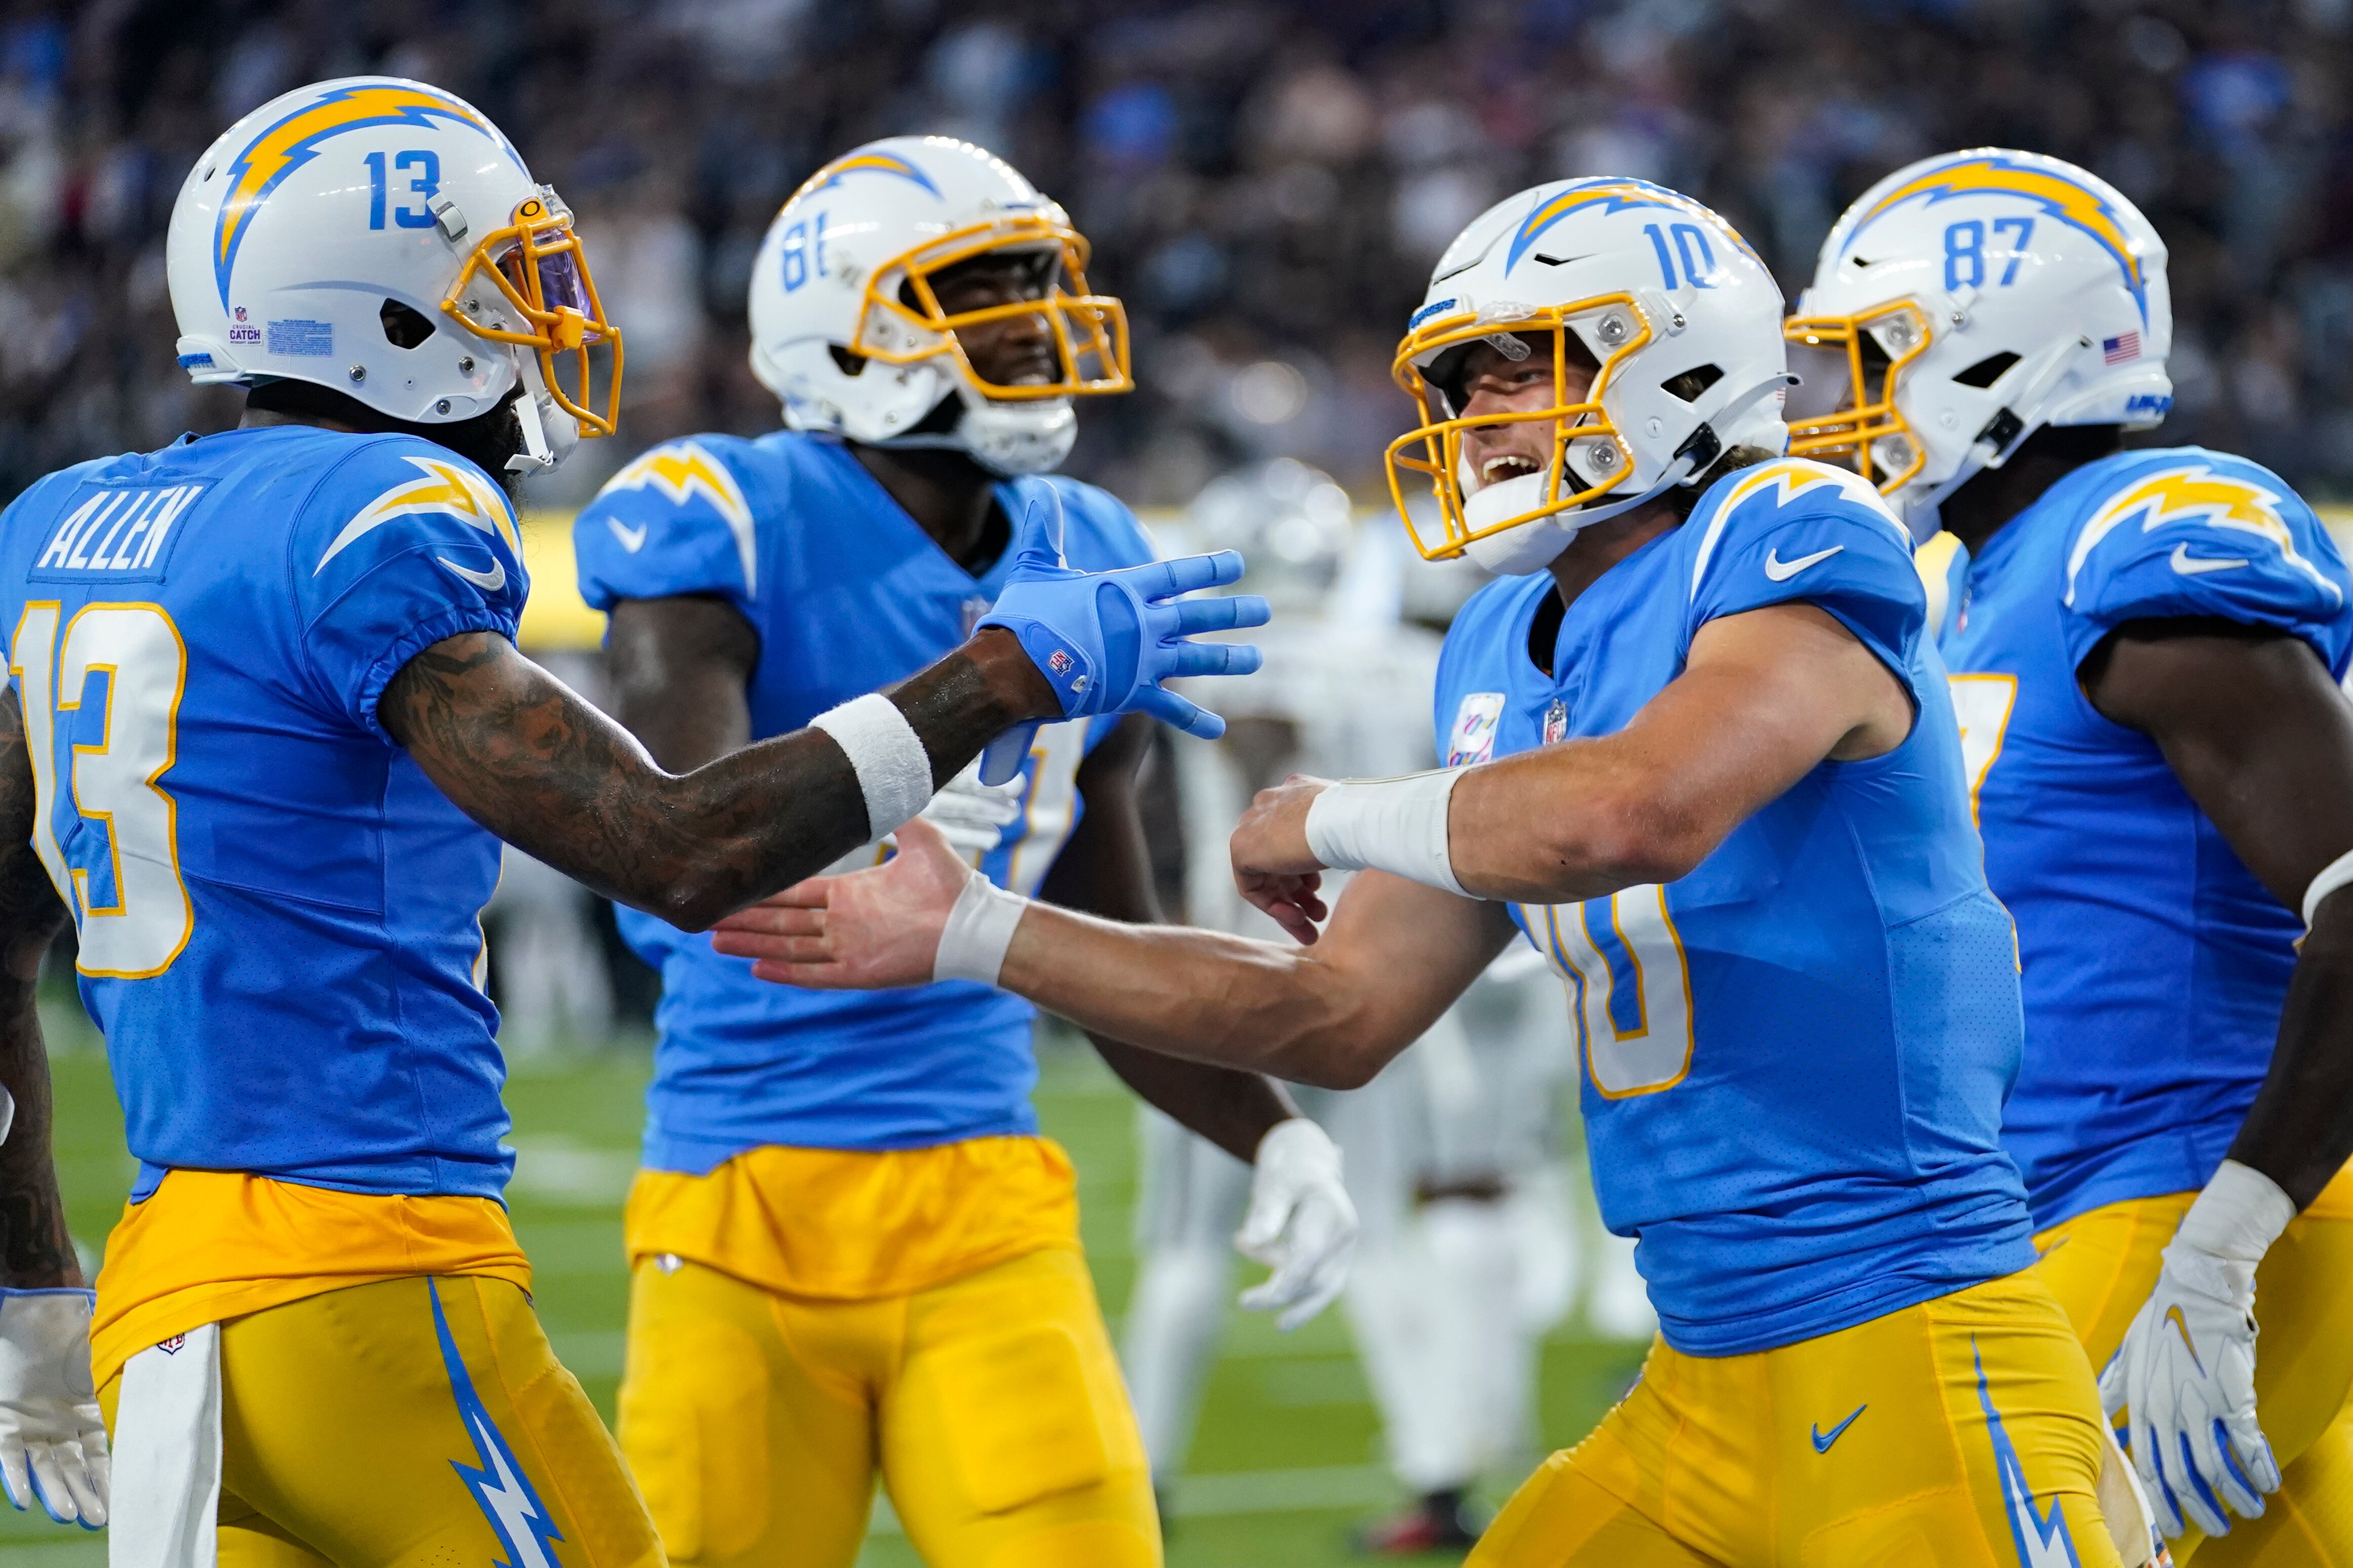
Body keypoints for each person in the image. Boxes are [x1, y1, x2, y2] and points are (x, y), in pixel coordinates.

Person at [713, 175, 2158, 1566]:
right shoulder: (1497, 645)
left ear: (1667, 361)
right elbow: (1333, 1012)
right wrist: (973, 928)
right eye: (1454, 387)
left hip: (1913, 1343)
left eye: (1508, 375)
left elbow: (1636, 813)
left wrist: (1334, 812)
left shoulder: (1783, 528)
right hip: (1704, 1376)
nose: (1470, 423)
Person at [0, 82, 1262, 1558]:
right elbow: (679, 851)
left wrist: (30, 1299)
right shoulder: (370, 515)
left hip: (171, 1296)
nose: (539, 317)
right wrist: (996, 673)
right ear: (385, 318)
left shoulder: (63, 527)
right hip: (369, 1267)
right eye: (500, 278)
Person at [570, 137, 1355, 1568]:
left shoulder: (1092, 539)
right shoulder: (725, 511)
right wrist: (982, 687)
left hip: (989, 1201)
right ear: (848, 331)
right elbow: (679, 860)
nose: (1034, 326)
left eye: (1039, 286)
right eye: (979, 293)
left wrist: (1272, 1131)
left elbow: (1095, 935)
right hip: (739, 1201)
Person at [1787, 146, 2353, 1560]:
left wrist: (2220, 1250)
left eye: (1870, 356)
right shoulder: (1956, 578)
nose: (1832, 404)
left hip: (2190, 1187)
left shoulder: (2137, 537)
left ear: (1996, 360)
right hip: (2045, 1203)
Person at [1121, 465, 1577, 1553]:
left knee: (1187, 1240)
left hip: (1221, 969)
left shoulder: (1197, 669)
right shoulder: (1402, 668)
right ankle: (1439, 1470)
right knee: (1378, 1226)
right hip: (1375, 962)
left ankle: (1137, 1474)